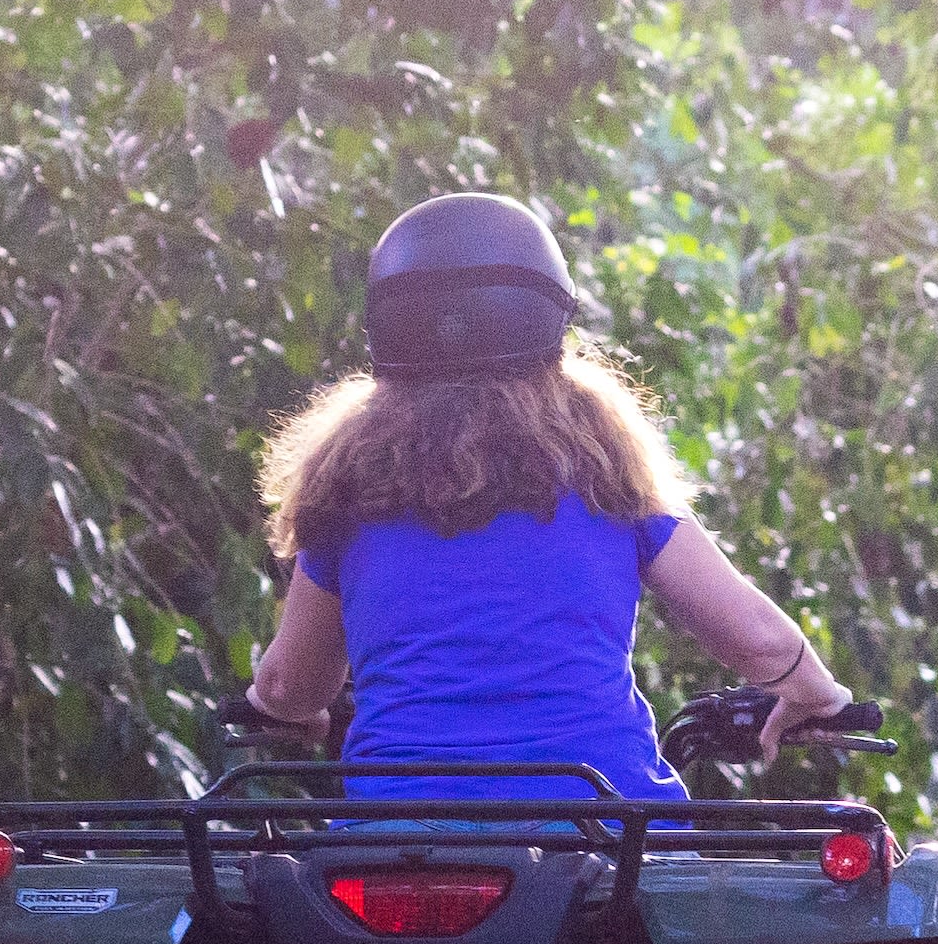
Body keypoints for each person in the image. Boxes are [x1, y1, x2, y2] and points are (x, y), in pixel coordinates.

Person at [245, 191, 849, 798]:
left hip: (397, 836)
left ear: (386, 326)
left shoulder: (350, 482)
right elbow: (758, 640)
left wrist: (297, 713)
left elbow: (286, 686)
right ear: (549, 313)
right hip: (603, 830)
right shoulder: (607, 466)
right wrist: (816, 695)